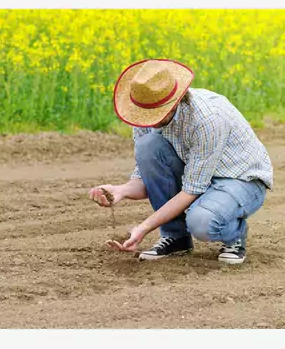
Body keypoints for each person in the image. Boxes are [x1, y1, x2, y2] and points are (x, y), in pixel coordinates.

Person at [88, 59, 273, 264]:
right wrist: (120, 190)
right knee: (148, 146)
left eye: (154, 113)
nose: (146, 119)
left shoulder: (207, 119)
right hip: (196, 174)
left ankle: (234, 234)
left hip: (239, 178)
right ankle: (175, 238)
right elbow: (146, 180)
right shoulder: (144, 114)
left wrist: (144, 228)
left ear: (173, 103)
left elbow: (191, 190)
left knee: (201, 222)